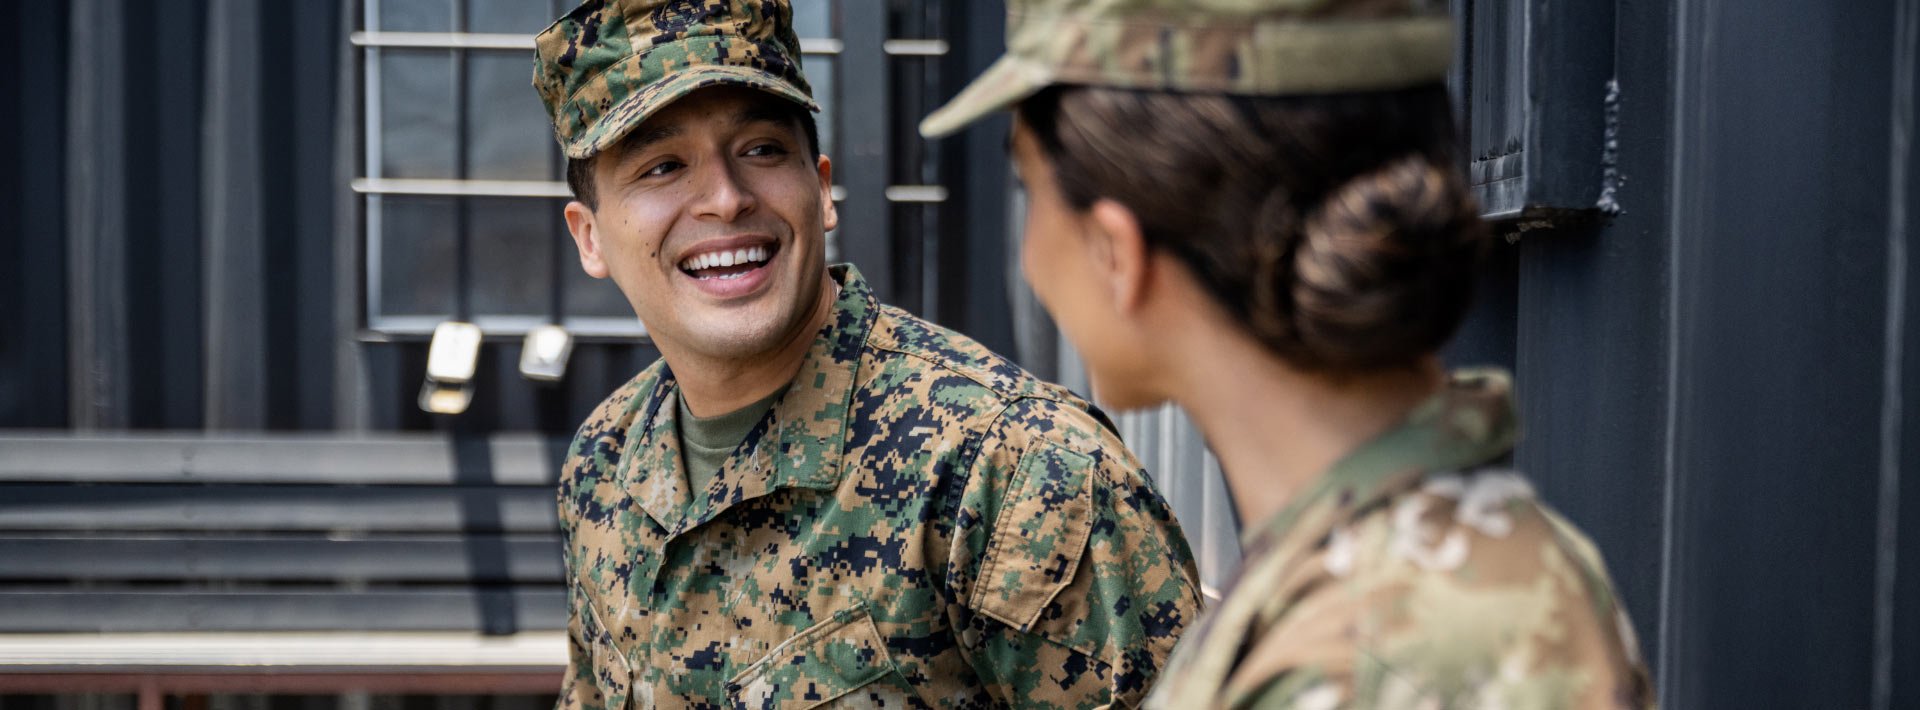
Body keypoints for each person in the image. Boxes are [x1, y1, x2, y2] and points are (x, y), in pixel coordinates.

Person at [922, 0, 1658, 707]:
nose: (1027, 257)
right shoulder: (1394, 592)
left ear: (1116, 252)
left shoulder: (1371, 655)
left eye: (1032, 191)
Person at [531, 1, 1204, 707]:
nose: (725, 200)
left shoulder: (1011, 471)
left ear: (820, 188)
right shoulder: (605, 461)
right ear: (590, 238)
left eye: (761, 150)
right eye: (663, 167)